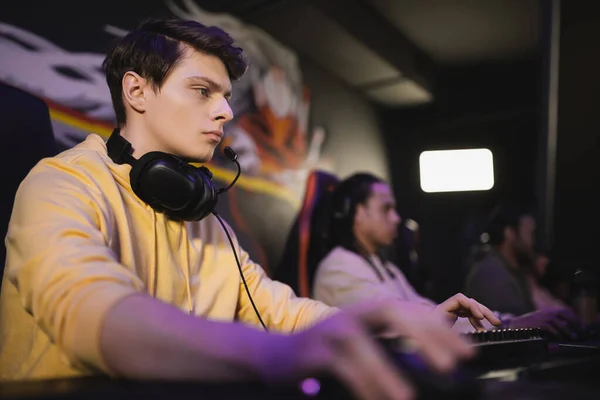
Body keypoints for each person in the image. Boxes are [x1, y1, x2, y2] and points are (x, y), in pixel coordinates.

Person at [0, 18, 480, 400]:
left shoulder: (204, 222)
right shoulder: (62, 183)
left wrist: (398, 319)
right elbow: (92, 312)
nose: (227, 112)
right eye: (203, 91)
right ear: (137, 91)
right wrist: (273, 356)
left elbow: (287, 314)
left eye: (226, 97)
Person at [312, 173, 502, 332]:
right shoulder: (337, 268)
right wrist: (499, 325)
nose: (396, 218)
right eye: (386, 209)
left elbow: (425, 308)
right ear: (357, 213)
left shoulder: (383, 266)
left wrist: (502, 322)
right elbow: (394, 324)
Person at [464, 207, 581, 336]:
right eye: (531, 234)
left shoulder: (517, 270)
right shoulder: (491, 273)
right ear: (510, 233)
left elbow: (553, 312)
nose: (533, 243)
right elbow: (521, 324)